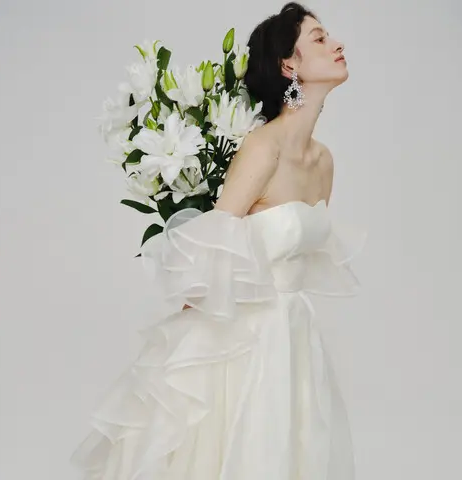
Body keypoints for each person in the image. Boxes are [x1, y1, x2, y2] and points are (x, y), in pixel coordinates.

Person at [71, 2, 367, 479]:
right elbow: (216, 238)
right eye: (319, 38)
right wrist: (182, 351)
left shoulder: (323, 161)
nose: (337, 44)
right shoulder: (263, 147)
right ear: (288, 65)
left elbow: (303, 257)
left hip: (295, 337)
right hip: (244, 340)